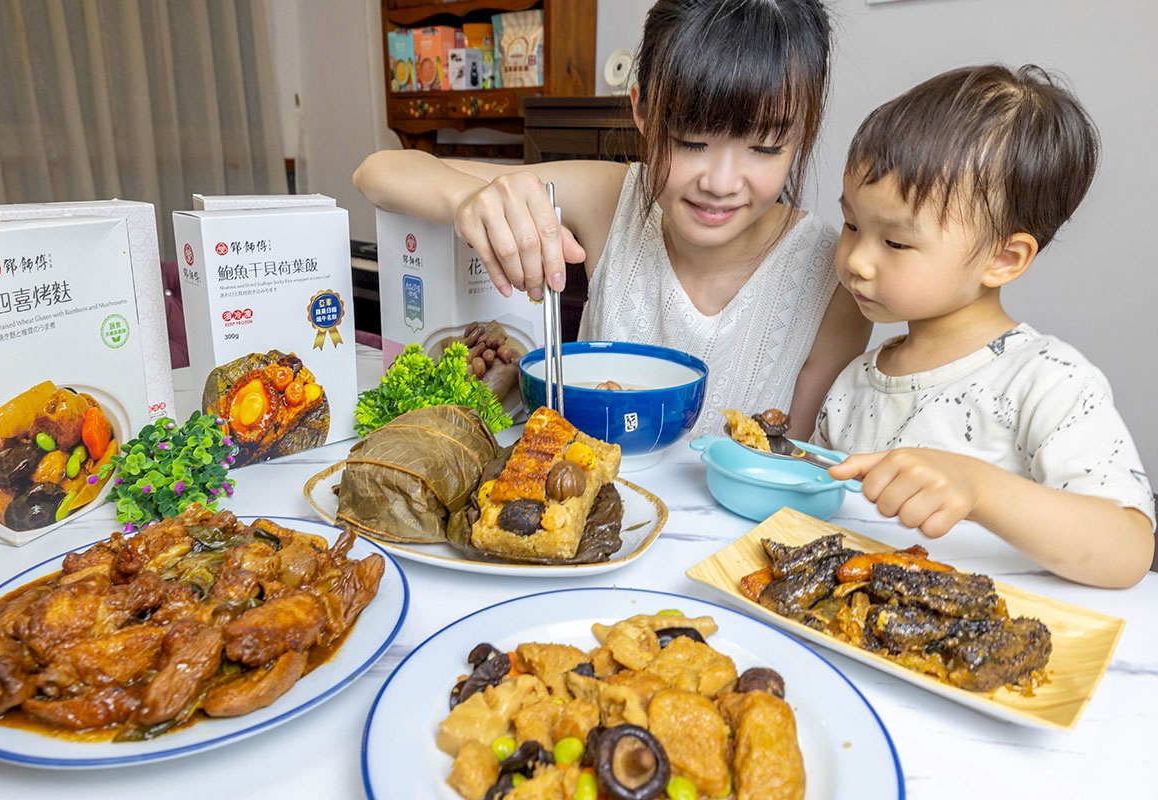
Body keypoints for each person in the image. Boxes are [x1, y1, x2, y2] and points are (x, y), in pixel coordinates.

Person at [353, 0, 871, 438]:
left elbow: (792, 467)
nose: (721, 182)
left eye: (764, 147)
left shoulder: (835, 279)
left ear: (802, 131)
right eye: (692, 141)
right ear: (643, 110)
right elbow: (378, 171)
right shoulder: (613, 199)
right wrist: (468, 199)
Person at [813, 64, 1155, 588]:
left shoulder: (1049, 382)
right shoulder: (855, 383)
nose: (856, 260)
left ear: (1004, 259)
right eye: (852, 224)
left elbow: (1129, 551)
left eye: (896, 242)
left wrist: (980, 489)